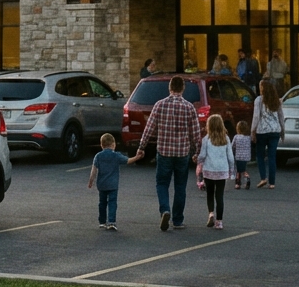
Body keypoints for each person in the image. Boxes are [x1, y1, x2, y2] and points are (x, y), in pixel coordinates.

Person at [135, 74, 201, 231]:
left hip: (164, 151)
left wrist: (141, 147)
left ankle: (165, 209)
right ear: (183, 89)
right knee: (180, 186)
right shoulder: (189, 107)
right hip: (182, 153)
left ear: (170, 88)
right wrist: (197, 151)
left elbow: (149, 128)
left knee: (162, 183)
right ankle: (178, 220)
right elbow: (196, 134)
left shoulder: (159, 105)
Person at [88, 133, 141, 229]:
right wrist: (137, 157)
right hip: (113, 185)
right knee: (112, 202)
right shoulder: (116, 156)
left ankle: (102, 221)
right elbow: (128, 161)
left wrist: (91, 181)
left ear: (102, 145)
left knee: (102, 203)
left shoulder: (98, 156)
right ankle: (111, 222)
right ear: (113, 144)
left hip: (102, 184)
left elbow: (94, 170)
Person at [195, 114, 236, 228]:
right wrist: (232, 171)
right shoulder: (226, 139)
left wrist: (197, 160)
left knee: (210, 193)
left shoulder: (206, 139)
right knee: (219, 196)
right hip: (222, 170)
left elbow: (202, 155)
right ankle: (219, 222)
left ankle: (211, 213)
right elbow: (231, 157)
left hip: (209, 170)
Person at [251, 78, 286, 188]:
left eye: (261, 86)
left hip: (262, 131)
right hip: (275, 130)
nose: (259, 88)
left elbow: (256, 116)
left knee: (260, 155)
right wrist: (283, 131)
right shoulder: (277, 100)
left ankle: (263, 178)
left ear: (264, 88)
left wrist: (253, 131)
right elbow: (281, 116)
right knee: (272, 156)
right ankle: (272, 182)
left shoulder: (259, 100)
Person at [232, 119, 252, 189]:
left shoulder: (236, 137)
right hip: (246, 157)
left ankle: (238, 183)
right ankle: (246, 180)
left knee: (239, 171)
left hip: (239, 156)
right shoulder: (249, 138)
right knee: (243, 168)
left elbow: (233, 146)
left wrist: (232, 152)